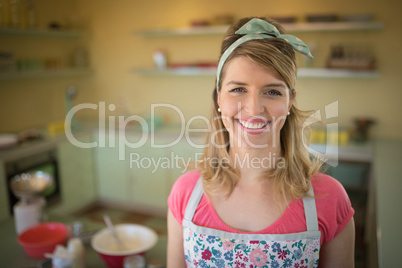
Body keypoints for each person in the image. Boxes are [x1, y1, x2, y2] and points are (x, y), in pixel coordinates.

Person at [167, 17, 355, 268]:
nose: (254, 108)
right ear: (218, 97)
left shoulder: (330, 199)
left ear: (289, 101)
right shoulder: (185, 194)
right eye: (238, 89)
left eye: (273, 91)